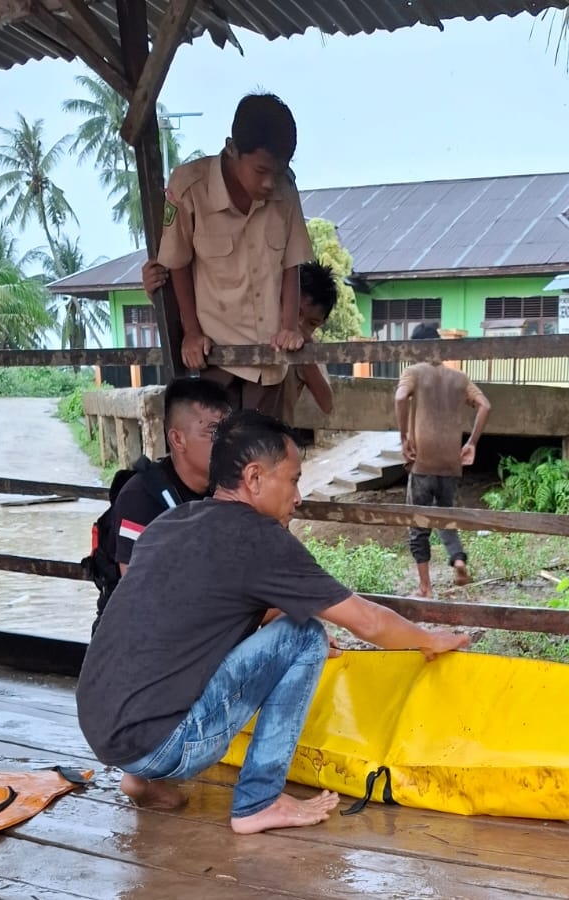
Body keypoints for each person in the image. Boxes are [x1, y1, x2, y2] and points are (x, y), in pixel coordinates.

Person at [76, 411, 470, 833]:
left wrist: (278, 615)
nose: (298, 496)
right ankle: (257, 802)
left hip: (98, 724)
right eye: (294, 479)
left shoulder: (172, 522)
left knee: (273, 622)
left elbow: (178, 618)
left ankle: (139, 778)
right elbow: (368, 622)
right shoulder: (261, 540)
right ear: (255, 478)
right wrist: (427, 639)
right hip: (164, 744)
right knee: (305, 635)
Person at [155, 92, 313, 418]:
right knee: (218, 458)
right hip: (216, 358)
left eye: (279, 171)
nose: (270, 183)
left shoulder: (286, 191)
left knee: (262, 459)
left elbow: (291, 264)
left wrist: (289, 327)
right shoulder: (189, 187)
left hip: (269, 359)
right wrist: (192, 332)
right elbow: (177, 265)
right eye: (261, 170)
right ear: (231, 148)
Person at [88, 377, 232, 635]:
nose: (227, 444)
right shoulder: (141, 498)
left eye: (230, 433)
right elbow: (140, 597)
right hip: (138, 640)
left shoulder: (226, 491)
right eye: (213, 433)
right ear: (177, 440)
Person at [143, 259, 336, 424]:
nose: (300, 324)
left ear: (322, 323)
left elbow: (327, 403)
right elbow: (190, 323)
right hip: (223, 432)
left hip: (271, 439)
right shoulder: (244, 326)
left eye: (311, 323)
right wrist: (158, 295)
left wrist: (303, 352)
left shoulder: (309, 346)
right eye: (297, 313)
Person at [394, 324, 491, 598]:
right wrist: (471, 442)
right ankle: (458, 560)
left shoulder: (413, 372)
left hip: (423, 460)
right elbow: (485, 405)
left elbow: (400, 397)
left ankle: (425, 587)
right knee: (445, 515)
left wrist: (403, 438)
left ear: (417, 349)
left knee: (418, 523)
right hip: (450, 463)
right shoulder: (459, 378)